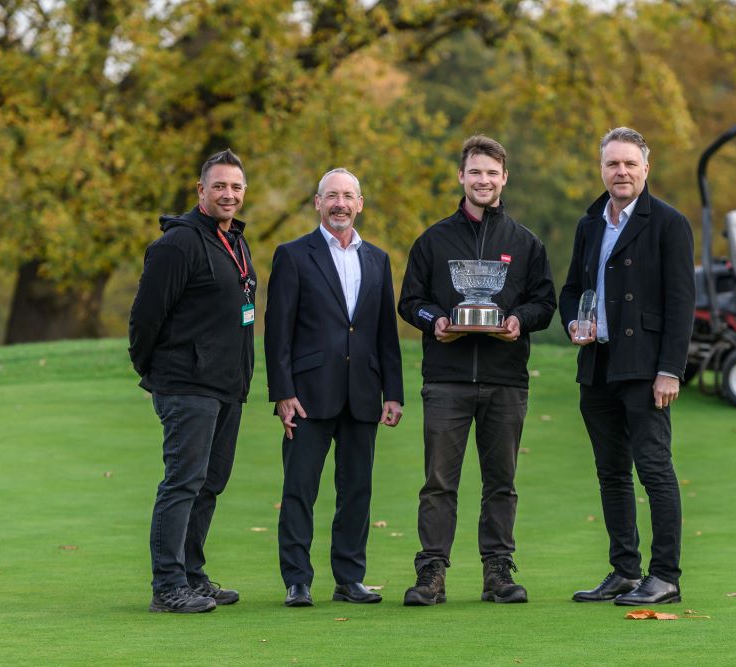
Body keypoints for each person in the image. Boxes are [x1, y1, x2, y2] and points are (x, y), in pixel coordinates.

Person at [397, 135, 556, 605]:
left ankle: (498, 573)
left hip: (506, 378)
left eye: (491, 173)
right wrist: (436, 321)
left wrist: (517, 321)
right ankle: (431, 573)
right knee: (439, 483)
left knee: (501, 482)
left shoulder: (526, 243)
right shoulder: (433, 240)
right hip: (446, 378)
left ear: (504, 178)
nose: (483, 180)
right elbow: (410, 301)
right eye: (475, 172)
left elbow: (544, 304)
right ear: (461, 177)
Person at [559, 127, 695, 606]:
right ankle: (623, 571)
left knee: (654, 470)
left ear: (645, 168)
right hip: (597, 364)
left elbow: (682, 303)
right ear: (602, 169)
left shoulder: (669, 223)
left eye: (630, 164)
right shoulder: (589, 224)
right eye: (613, 164)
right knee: (611, 472)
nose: (621, 172)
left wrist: (671, 369)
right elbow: (573, 287)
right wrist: (574, 323)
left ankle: (665, 577)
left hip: (646, 368)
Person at [265, 168, 404, 608]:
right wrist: (282, 392)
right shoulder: (293, 255)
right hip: (306, 396)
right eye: (332, 196)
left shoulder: (378, 259)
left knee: (357, 490)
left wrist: (394, 393)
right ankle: (297, 581)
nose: (340, 204)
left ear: (360, 203)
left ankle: (349, 579)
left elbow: (386, 334)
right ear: (318, 203)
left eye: (348, 196)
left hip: (363, 392)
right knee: (299, 489)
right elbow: (277, 331)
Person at [129, 149, 256, 613]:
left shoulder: (235, 241)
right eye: (219, 186)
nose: (229, 194)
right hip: (187, 384)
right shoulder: (178, 244)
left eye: (236, 187)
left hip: (227, 385)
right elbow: (145, 317)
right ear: (200, 190)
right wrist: (154, 370)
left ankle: (192, 574)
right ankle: (167, 586)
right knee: (183, 482)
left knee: (209, 483)